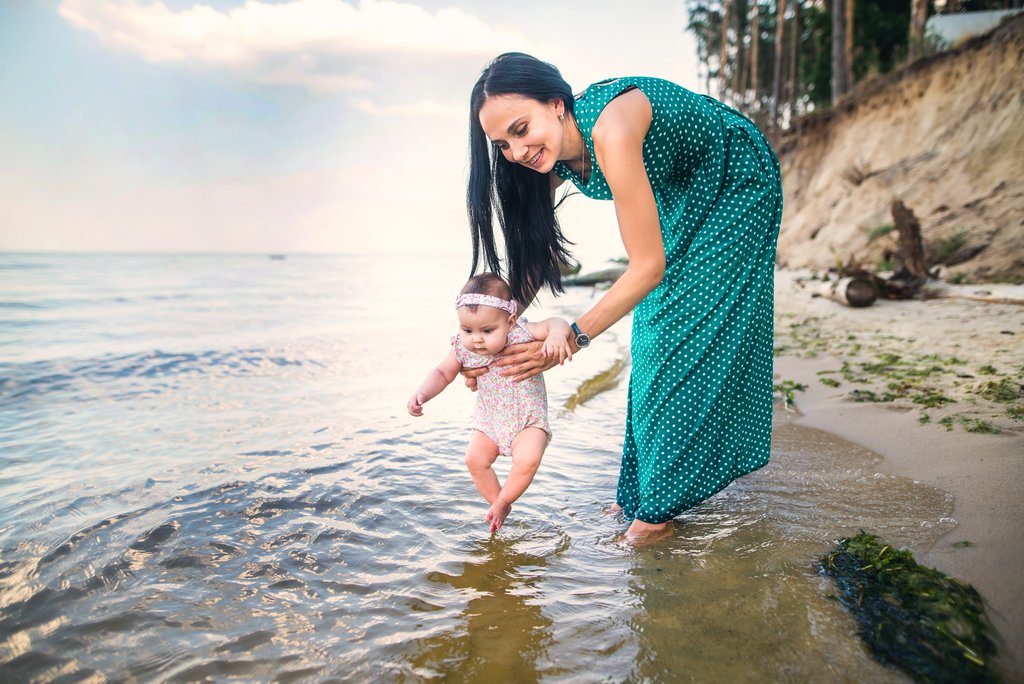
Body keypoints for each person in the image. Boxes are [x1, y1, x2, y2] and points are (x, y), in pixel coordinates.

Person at [466, 53, 783, 543]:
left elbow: (647, 268)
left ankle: (654, 515)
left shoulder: (610, 131)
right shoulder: (548, 158)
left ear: (556, 104)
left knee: (679, 343)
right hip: (683, 190)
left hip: (736, 180)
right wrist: (494, 333)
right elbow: (531, 263)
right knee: (652, 338)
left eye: (522, 128)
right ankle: (638, 495)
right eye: (503, 143)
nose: (517, 150)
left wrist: (572, 336)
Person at [407, 272, 572, 533]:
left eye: (487, 330)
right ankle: (498, 504)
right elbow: (442, 373)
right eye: (467, 330)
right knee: (474, 460)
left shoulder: (522, 333)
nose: (477, 339)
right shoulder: (463, 349)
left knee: (528, 459)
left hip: (527, 421)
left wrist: (556, 336)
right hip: (489, 424)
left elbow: (557, 323)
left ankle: (505, 499)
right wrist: (422, 394)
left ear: (510, 321)